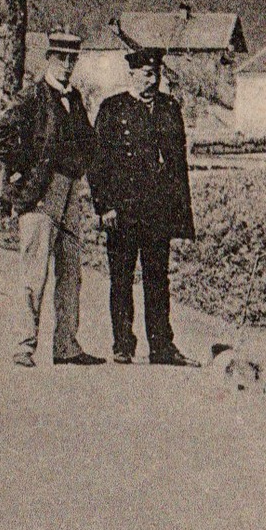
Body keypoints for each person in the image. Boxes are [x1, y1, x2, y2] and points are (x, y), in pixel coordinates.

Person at [0, 31, 105, 368]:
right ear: (49, 58)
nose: (67, 65)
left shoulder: (75, 98)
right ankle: (23, 345)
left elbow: (88, 143)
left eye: (72, 59)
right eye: (61, 58)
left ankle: (66, 346)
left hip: (69, 191)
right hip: (40, 192)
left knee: (71, 270)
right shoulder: (33, 95)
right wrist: (25, 167)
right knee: (34, 271)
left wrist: (82, 168)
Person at [88, 46, 197, 366]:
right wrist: (105, 205)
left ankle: (162, 346)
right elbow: (97, 162)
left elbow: (178, 163)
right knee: (121, 278)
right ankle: (123, 343)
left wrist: (179, 211)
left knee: (157, 278)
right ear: (132, 74)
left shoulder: (169, 108)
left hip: (157, 209)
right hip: (122, 210)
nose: (154, 79)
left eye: (157, 73)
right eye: (147, 74)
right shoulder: (113, 108)